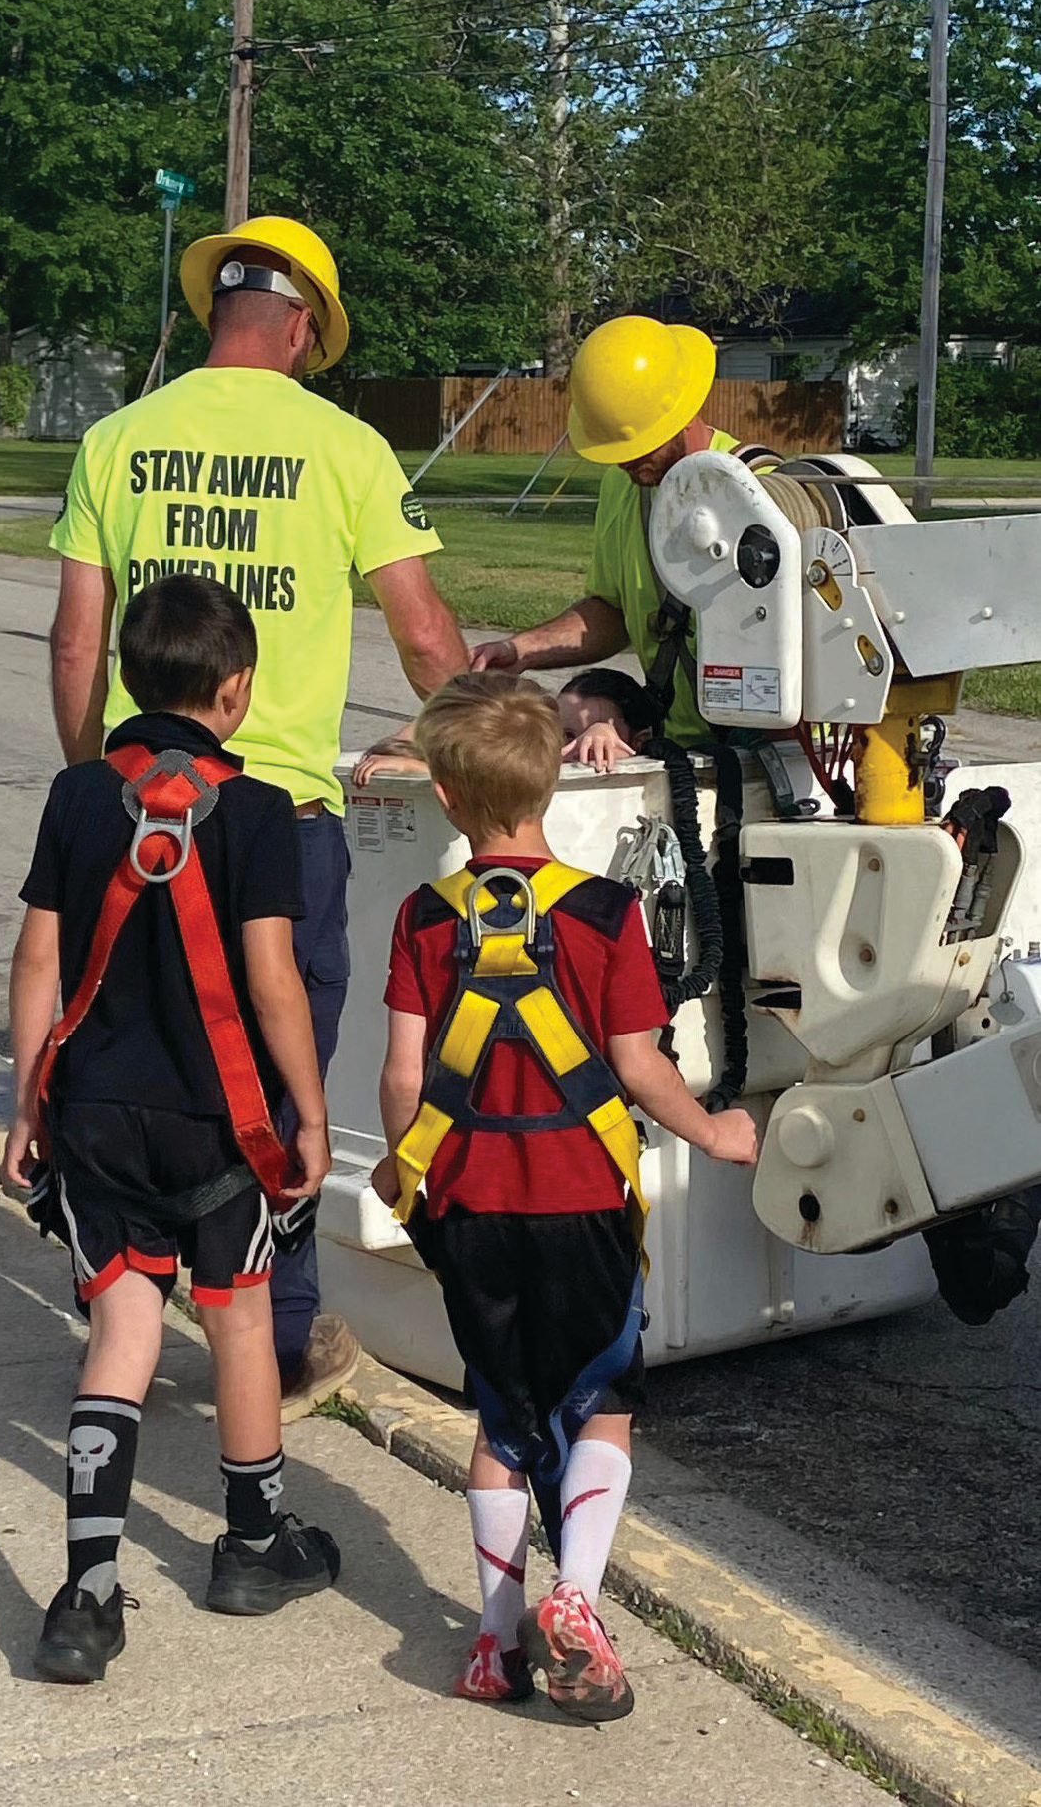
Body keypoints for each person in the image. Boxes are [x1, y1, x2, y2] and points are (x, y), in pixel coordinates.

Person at [47, 215, 469, 1412]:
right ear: (299, 326)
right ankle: (278, 1338)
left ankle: (121, 1285)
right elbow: (424, 627)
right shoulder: (343, 447)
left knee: (134, 1040)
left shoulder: (118, 438)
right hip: (279, 817)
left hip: (140, 810)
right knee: (279, 1074)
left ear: (217, 315)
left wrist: (94, 791)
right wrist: (486, 749)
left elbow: (79, 638)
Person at [371, 673, 758, 1721]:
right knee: (603, 1400)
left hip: (470, 1204)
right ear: (552, 783)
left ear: (446, 798)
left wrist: (403, 1162)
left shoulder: (422, 916)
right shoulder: (605, 914)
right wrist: (716, 1129)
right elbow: (639, 1067)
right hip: (583, 1197)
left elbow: (405, 1074)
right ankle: (577, 1599)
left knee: (501, 1414)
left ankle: (493, 1648)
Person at [4, 575, 341, 1683]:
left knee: (122, 1333)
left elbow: (40, 959)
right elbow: (274, 979)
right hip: (218, 1124)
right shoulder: (253, 811)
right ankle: (252, 1548)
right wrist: (311, 1111)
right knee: (239, 1322)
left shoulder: (77, 795)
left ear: (127, 682)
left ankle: (86, 1597)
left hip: (94, 1113)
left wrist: (26, 1103)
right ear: (237, 691)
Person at [471, 316, 746, 747]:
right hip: (680, 746)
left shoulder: (757, 489)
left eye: (638, 447)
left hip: (777, 752)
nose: (625, 462)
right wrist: (521, 650)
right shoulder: (625, 484)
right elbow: (613, 612)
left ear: (682, 413)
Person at [353, 666, 654, 786]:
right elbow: (492, 772)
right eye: (562, 733)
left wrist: (603, 731)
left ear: (638, 743)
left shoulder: (643, 775)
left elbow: (498, 787)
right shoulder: (543, 756)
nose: (569, 750)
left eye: (587, 741)